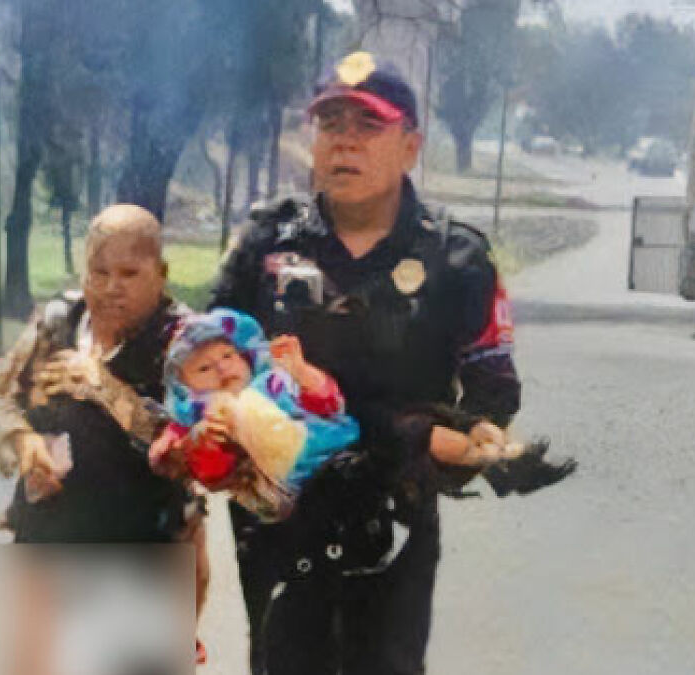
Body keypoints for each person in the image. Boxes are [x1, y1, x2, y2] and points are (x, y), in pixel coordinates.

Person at [210, 51, 574, 675]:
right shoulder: (266, 243)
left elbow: (492, 389)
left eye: (367, 128)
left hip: (395, 515)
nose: (344, 144)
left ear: (411, 146)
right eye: (331, 126)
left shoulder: (455, 259)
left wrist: (474, 436)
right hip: (277, 516)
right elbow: (204, 355)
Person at [0, 204, 210, 662]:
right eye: (99, 270)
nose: (111, 287)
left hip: (141, 545)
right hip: (45, 536)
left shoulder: (188, 342)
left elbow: (192, 445)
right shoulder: (55, 322)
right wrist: (22, 444)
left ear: (160, 273)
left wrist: (104, 388)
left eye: (129, 272)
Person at [151, 307, 361, 521]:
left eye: (228, 355)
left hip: (334, 455)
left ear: (245, 356)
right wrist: (201, 445)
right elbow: (207, 470)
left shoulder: (274, 382)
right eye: (204, 368)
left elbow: (328, 404)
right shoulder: (201, 419)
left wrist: (302, 372)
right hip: (284, 496)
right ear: (185, 388)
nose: (222, 368)